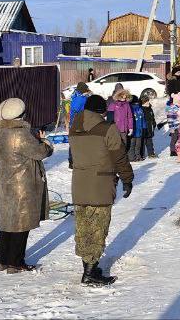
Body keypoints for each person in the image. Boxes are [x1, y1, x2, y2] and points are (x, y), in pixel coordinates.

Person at [70, 95, 134, 285]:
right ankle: (89, 275)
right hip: (101, 185)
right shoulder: (108, 129)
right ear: (102, 111)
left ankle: (89, 265)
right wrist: (127, 179)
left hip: (79, 184)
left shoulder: (74, 128)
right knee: (98, 229)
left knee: (83, 228)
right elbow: (119, 157)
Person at [0, 98, 54, 273]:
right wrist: (45, 142)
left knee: (7, 222)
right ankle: (16, 263)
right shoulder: (20, 134)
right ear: (20, 115)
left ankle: (2, 260)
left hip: (3, 181)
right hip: (22, 184)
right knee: (21, 224)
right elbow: (40, 153)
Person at [166, 92, 180, 161]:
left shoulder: (179, 107)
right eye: (178, 101)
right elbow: (170, 118)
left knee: (179, 138)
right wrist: (171, 127)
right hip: (174, 126)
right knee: (174, 138)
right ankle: (173, 151)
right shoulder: (172, 108)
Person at [139, 92, 158, 159]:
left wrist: (154, 124)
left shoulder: (150, 108)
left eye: (147, 101)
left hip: (150, 128)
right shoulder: (141, 109)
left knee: (150, 142)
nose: (147, 103)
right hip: (144, 128)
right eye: (146, 102)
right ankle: (142, 154)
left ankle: (151, 153)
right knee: (142, 142)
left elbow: (152, 118)